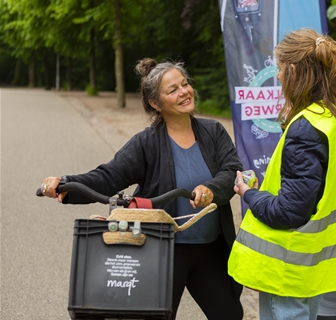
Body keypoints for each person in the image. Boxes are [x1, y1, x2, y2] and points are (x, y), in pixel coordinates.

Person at [39, 58, 244, 320]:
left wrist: (212, 189)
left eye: (185, 84)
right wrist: (66, 185)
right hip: (162, 251)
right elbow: (109, 176)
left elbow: (232, 170)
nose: (184, 92)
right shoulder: (146, 143)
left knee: (230, 315)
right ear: (155, 103)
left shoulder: (213, 131)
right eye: (173, 90)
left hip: (211, 249)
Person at [229, 28, 336, 320]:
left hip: (287, 264)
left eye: (278, 68)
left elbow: (290, 211)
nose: (277, 76)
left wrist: (249, 193)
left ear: (292, 70)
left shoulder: (306, 126)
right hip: (311, 260)